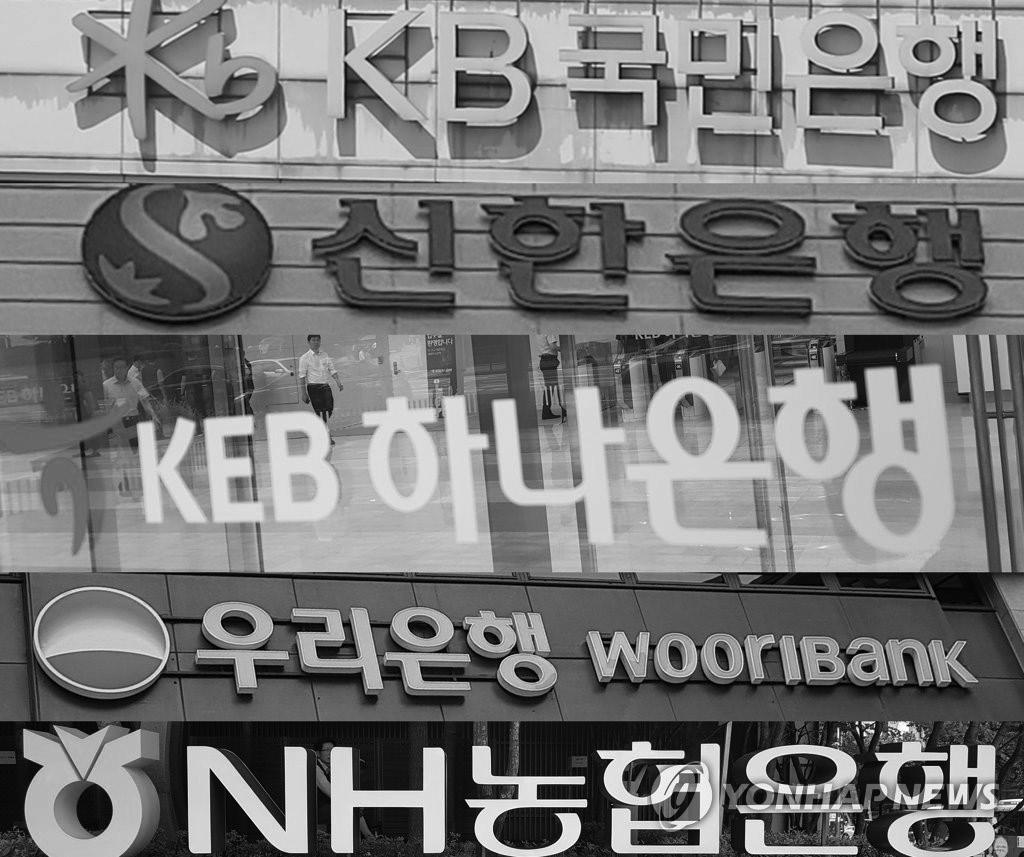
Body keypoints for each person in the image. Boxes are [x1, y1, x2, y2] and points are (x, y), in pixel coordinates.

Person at [103, 357, 159, 498]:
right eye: (116, 367)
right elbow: (105, 408)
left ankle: (136, 482)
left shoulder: (135, 382)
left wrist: (153, 415)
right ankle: (126, 483)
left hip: (133, 421)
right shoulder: (106, 385)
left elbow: (145, 401)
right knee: (124, 455)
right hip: (118, 423)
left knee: (135, 454)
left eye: (122, 367)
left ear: (127, 368)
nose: (119, 370)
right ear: (113, 369)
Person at [314, 740, 375, 838]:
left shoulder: (334, 767)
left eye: (333, 750)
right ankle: (368, 837)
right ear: (317, 753)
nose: (330, 753)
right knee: (351, 808)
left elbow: (344, 789)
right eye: (327, 750)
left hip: (329, 807)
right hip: (314, 810)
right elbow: (330, 791)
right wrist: (352, 801)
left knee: (357, 810)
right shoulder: (315, 768)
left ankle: (368, 837)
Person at [299, 335, 343, 445]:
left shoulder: (325, 355)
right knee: (321, 412)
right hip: (313, 387)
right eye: (313, 340)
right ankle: (326, 436)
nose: (316, 342)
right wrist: (304, 393)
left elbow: (332, 369)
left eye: (318, 340)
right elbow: (302, 376)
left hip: (325, 386)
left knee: (329, 409)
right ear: (308, 342)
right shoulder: (304, 358)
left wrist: (338, 381)